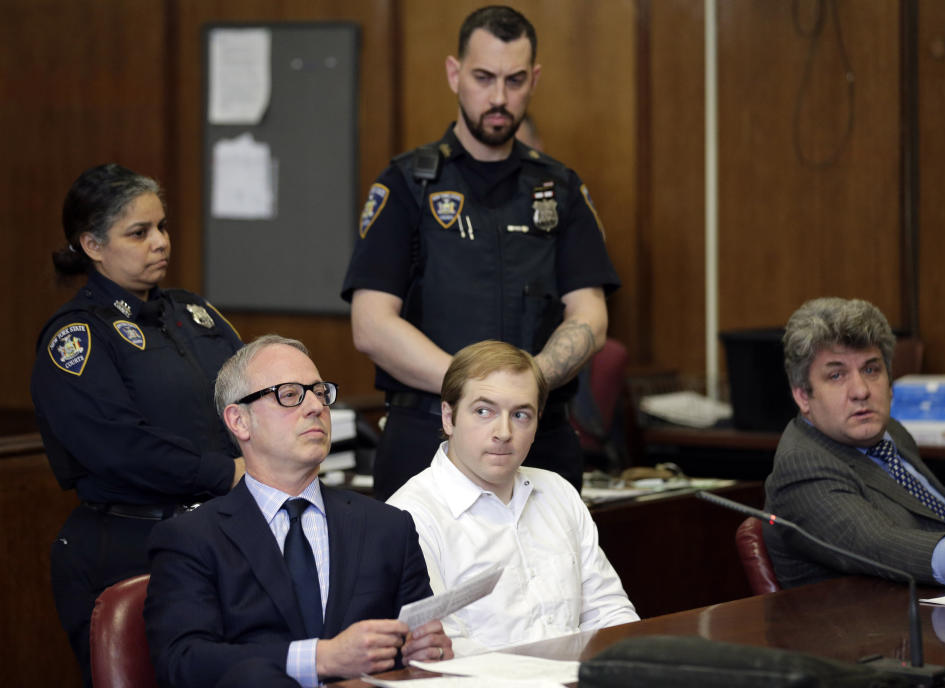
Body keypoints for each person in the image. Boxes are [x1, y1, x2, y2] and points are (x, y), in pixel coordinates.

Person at [341, 5, 620, 500]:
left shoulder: (559, 188)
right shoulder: (407, 184)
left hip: (541, 441)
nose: (498, 97)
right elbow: (371, 324)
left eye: (514, 81)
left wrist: (530, 380)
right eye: (483, 77)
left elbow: (590, 314)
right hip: (427, 440)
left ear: (534, 79)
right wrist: (475, 392)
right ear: (455, 74)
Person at [30, 163, 245, 686]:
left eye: (163, 227)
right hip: (130, 538)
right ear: (93, 245)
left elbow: (250, 392)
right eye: (139, 232)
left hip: (218, 532)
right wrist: (228, 473)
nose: (160, 242)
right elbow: (118, 447)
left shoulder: (195, 314)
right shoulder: (77, 337)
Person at [144, 335, 451, 688]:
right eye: (289, 395)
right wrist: (320, 657)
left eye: (320, 393)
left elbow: (418, 647)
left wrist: (427, 653)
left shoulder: (388, 527)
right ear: (239, 421)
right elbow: (182, 662)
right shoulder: (192, 538)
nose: (315, 407)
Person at [387, 340, 638, 655]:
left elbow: (608, 609)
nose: (503, 432)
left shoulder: (557, 492)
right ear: (448, 417)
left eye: (521, 415)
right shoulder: (408, 517)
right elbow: (441, 651)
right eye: (483, 411)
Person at [764, 297, 945, 589]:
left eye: (871, 370)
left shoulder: (890, 433)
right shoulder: (801, 465)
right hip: (871, 626)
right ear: (803, 396)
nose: (860, 391)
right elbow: (883, 546)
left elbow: (943, 515)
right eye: (837, 375)